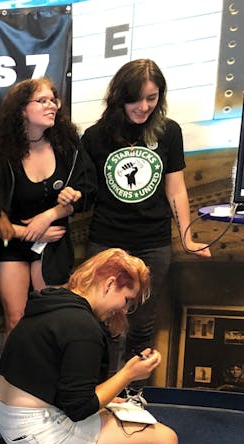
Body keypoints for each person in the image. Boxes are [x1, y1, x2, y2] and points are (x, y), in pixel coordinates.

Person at [0, 248, 178, 444]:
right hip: (36, 430)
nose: (124, 310)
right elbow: (79, 407)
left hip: (8, 417)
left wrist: (108, 398)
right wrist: (128, 374)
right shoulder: (82, 327)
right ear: (110, 284)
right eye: (127, 300)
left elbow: (56, 379)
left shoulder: (52, 302)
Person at [81, 59, 211, 392]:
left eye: (152, 98)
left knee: (142, 322)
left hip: (153, 242)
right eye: (136, 99)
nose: (144, 107)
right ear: (119, 97)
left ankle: (134, 394)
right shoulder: (95, 136)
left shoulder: (169, 131)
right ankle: (101, 393)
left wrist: (188, 237)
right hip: (107, 240)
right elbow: (85, 189)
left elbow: (176, 188)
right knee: (105, 321)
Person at [0, 77, 96, 336]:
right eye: (42, 100)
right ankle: (14, 376)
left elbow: (89, 191)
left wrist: (53, 213)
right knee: (16, 320)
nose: (51, 106)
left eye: (53, 100)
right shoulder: (4, 154)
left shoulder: (68, 147)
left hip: (54, 241)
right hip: (12, 242)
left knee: (53, 318)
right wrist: (30, 232)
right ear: (22, 109)